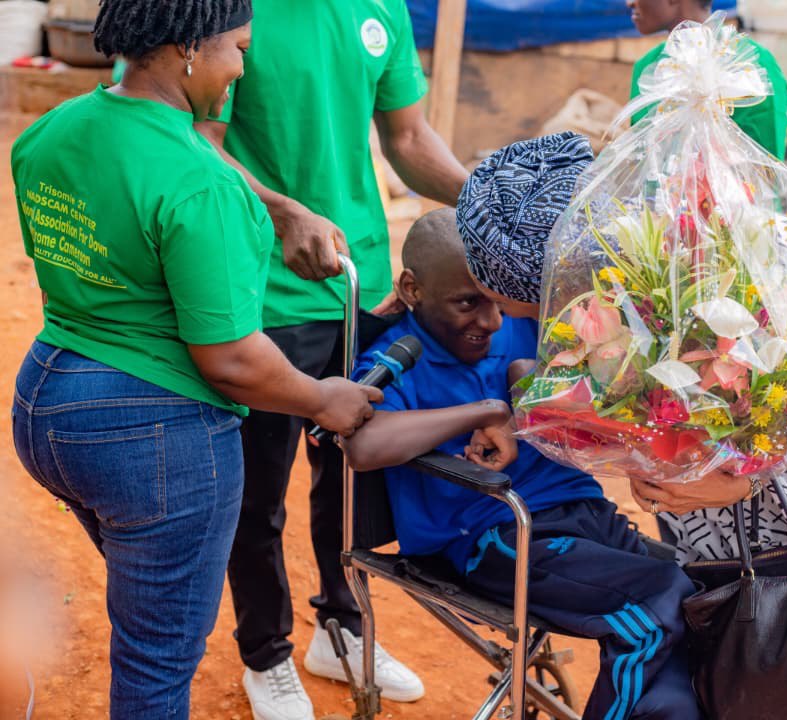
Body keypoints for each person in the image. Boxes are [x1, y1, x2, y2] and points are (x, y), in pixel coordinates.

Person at [455, 134, 787, 692]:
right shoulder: (623, 267)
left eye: (497, 296)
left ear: (550, 279)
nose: (500, 314)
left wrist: (739, 482)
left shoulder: (694, 269)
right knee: (760, 604)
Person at [9, 1, 382, 716]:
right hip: (151, 435)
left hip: (47, 404)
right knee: (157, 662)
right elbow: (231, 360)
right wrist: (321, 398)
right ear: (186, 47)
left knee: (147, 597)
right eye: (238, 49)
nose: (242, 66)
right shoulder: (198, 182)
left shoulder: (51, 132)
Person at [178, 1, 470, 716]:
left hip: (360, 282)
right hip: (265, 285)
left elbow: (405, 136)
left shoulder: (381, 9)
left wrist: (493, 201)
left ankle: (339, 626)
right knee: (259, 493)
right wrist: (281, 212)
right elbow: (194, 142)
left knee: (350, 476)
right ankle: (267, 652)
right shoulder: (233, 13)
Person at [343, 208, 703, 720]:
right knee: (652, 606)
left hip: (583, 513)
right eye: (468, 303)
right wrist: (488, 410)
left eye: (494, 300)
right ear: (412, 288)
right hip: (499, 535)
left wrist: (525, 379)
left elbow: (580, 372)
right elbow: (364, 445)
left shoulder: (515, 323)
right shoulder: (400, 358)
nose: (490, 322)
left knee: (701, 594)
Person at [626, 1, 787, 159]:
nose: (629, 3)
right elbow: (640, 157)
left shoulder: (751, 64)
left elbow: (766, 164)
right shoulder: (648, 67)